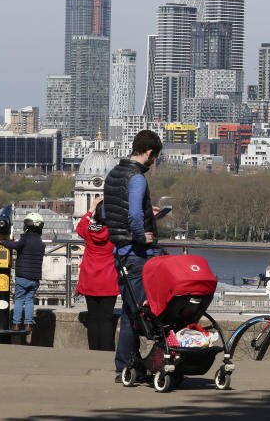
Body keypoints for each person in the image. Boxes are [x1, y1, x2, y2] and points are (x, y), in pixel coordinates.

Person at [104, 129, 163, 382]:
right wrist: (141, 235)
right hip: (137, 253)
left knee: (130, 311)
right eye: (155, 158)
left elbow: (110, 213)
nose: (154, 163)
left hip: (120, 252)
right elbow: (134, 217)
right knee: (144, 312)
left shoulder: (113, 173)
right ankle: (133, 364)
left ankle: (127, 365)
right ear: (149, 152)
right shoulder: (137, 178)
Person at [75, 196, 119, 351]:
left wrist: (91, 207)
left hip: (90, 279)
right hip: (109, 279)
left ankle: (93, 349)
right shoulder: (115, 234)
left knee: (93, 317)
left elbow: (80, 226)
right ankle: (107, 350)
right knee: (106, 318)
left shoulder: (89, 231)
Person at [0, 212, 46, 333]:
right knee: (30, 300)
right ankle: (29, 324)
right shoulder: (41, 243)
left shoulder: (25, 239)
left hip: (22, 276)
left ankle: (16, 324)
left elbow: (14, 245)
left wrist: (2, 240)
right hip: (35, 278)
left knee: (19, 299)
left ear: (27, 226)